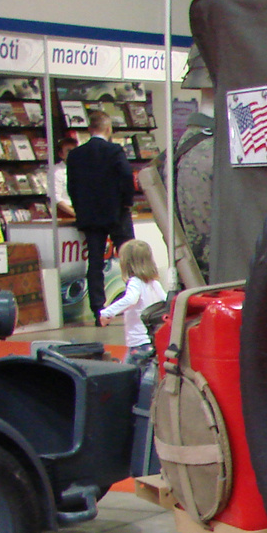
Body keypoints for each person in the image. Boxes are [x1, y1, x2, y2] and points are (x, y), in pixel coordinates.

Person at [66, 110, 136, 322]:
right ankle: (134, 302)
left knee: (94, 262)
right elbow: (126, 177)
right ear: (108, 129)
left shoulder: (76, 155)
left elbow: (72, 187)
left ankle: (98, 310)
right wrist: (126, 202)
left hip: (90, 216)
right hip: (116, 212)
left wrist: (80, 208)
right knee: (129, 257)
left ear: (89, 130)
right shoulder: (114, 151)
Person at [97, 239, 166, 365]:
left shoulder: (135, 282)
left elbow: (130, 299)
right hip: (151, 339)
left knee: (130, 373)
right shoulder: (155, 283)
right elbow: (165, 301)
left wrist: (107, 312)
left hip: (138, 342)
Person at [49, 134, 77, 221]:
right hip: (65, 213)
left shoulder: (83, 168)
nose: (73, 153)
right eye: (68, 151)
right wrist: (75, 214)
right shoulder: (56, 171)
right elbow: (56, 198)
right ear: (61, 154)